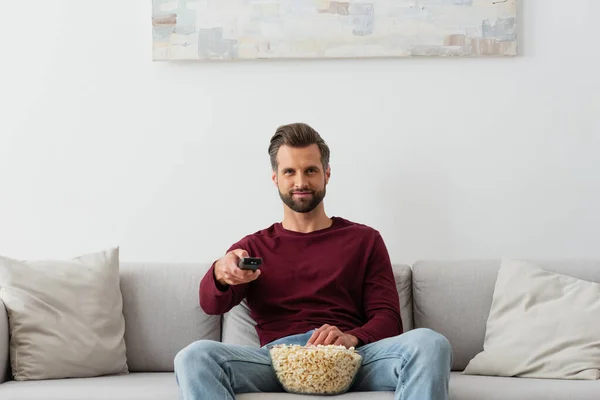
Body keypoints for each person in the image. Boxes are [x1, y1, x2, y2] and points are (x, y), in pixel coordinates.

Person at [174, 122, 452, 400]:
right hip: (277, 361)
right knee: (194, 357)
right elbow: (211, 304)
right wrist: (221, 273)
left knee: (429, 343)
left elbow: (388, 320)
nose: (300, 182)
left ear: (326, 174)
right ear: (275, 178)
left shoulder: (364, 240)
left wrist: (349, 338)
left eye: (310, 170)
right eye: (289, 172)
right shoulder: (252, 247)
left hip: (352, 358)